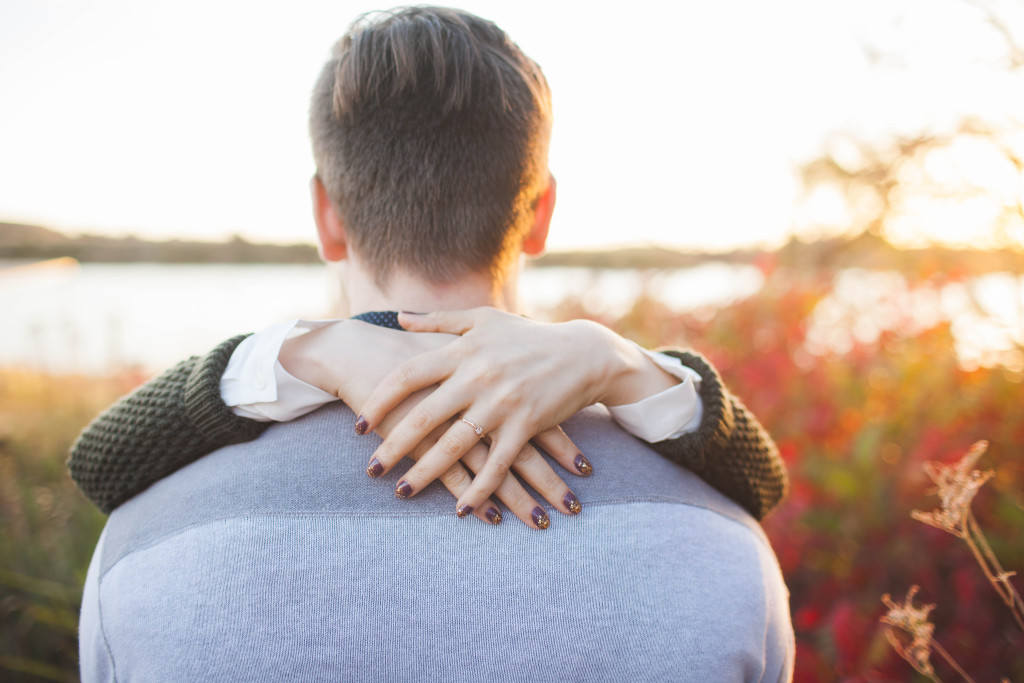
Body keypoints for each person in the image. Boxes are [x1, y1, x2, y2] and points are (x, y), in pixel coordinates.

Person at [76, 7, 794, 680]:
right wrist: (620, 358)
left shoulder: (140, 541)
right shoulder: (726, 539)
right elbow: (766, 484)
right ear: (541, 211)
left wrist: (295, 352)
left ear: (326, 215)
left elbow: (95, 462)